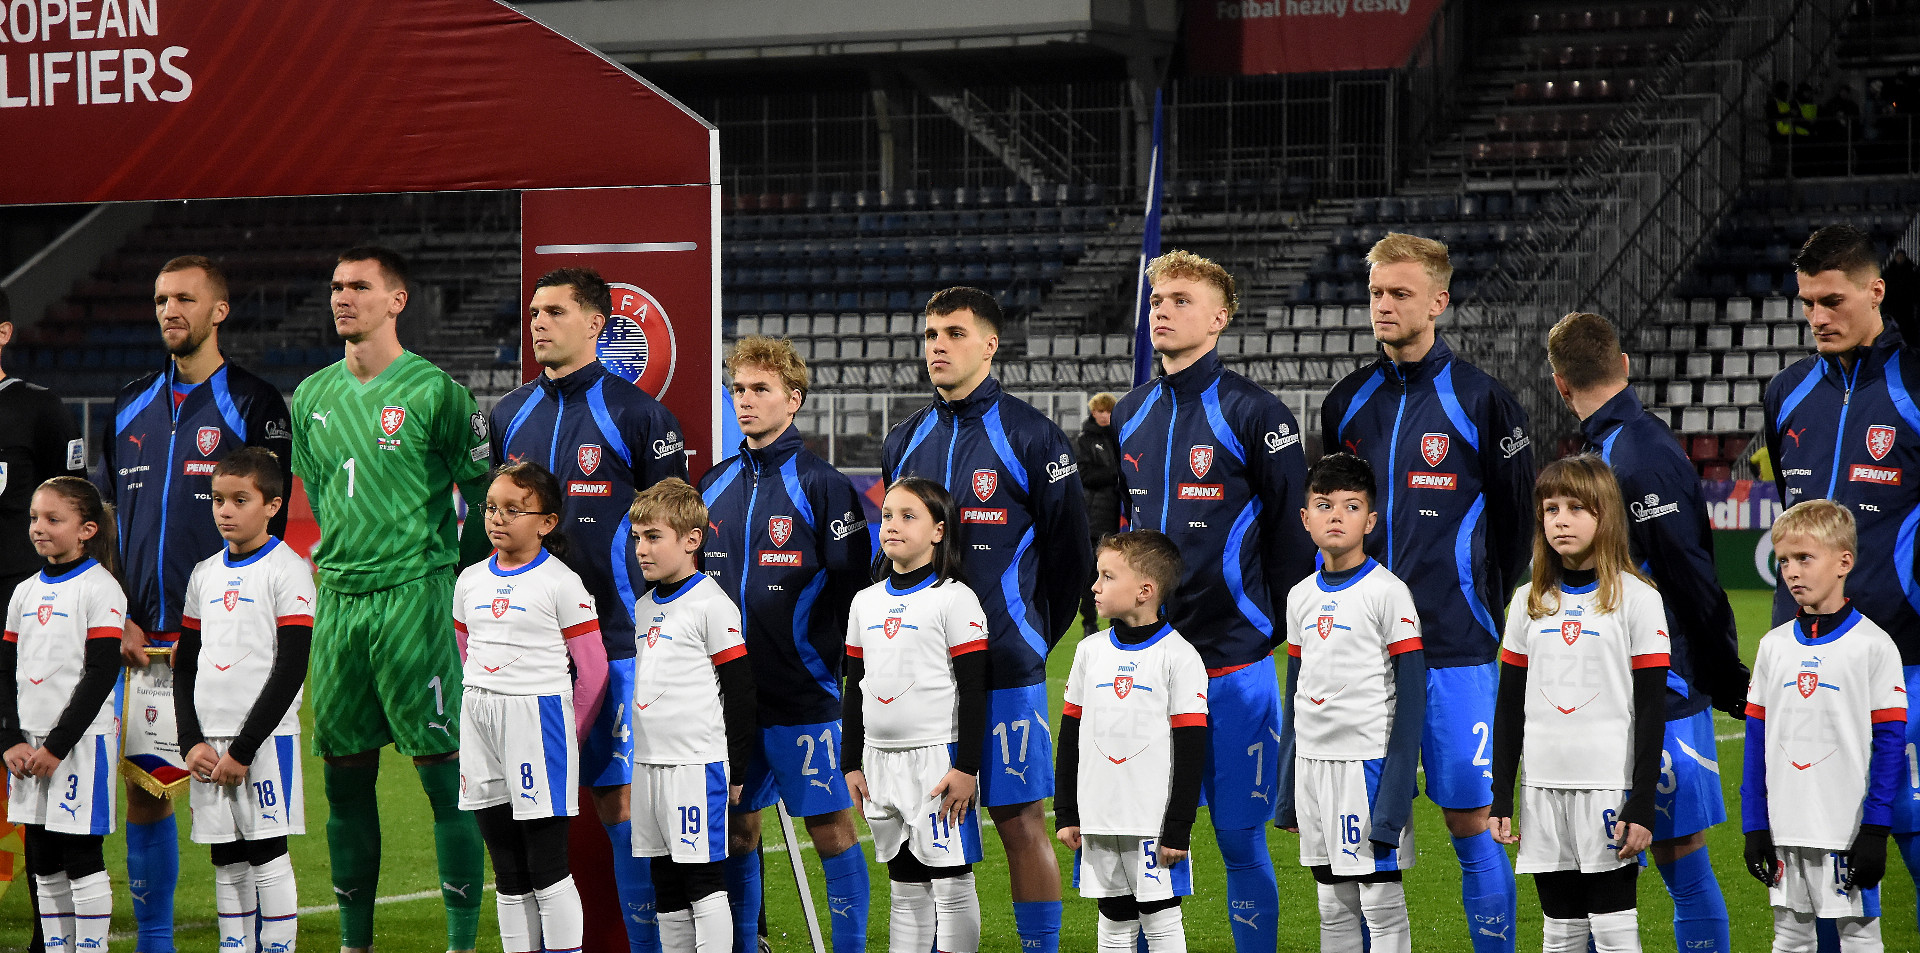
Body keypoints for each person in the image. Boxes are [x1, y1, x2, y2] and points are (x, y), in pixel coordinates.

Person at [1320, 232, 1532, 953]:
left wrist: (1484, 606)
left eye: (1400, 293)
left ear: (1439, 301)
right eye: (1376, 292)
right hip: (1361, 655)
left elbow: (1516, 524)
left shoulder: (1483, 399)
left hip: (1455, 647)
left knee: (1473, 823)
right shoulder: (1347, 402)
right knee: (1366, 832)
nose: (1383, 304)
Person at [291, 245, 494, 953]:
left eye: (359, 286)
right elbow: (321, 494)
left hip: (417, 600)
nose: (342, 297)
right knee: (344, 781)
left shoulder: (436, 392)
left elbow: (486, 498)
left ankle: (461, 943)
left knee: (445, 777)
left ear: (396, 301)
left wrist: (455, 584)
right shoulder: (309, 397)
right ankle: (356, 943)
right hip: (340, 604)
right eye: (336, 285)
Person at [880, 287, 1090, 953]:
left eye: (954, 333)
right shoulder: (903, 439)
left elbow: (1071, 557)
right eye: (931, 334)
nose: (938, 346)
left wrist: (1029, 636)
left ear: (990, 344)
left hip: (1003, 671)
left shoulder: (1032, 436)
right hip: (921, 679)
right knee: (926, 829)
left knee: (1020, 821)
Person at [1113, 250, 1310, 953]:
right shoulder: (1129, 412)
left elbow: (1293, 536)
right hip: (1146, 666)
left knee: (1238, 839)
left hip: (1232, 665)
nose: (1162, 310)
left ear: (1219, 319)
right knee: (1146, 840)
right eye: (1156, 299)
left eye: (1181, 300)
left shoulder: (1258, 413)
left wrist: (1266, 629)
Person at [490, 267, 689, 952]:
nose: (538, 323)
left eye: (554, 311)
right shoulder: (508, 414)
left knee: (620, 800)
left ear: (597, 324)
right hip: (526, 649)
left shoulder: (639, 415)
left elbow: (675, 536)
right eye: (533, 313)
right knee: (522, 800)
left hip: (618, 642)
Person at [102, 253, 293, 953]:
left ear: (220, 310)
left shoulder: (255, 402)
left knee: (238, 791)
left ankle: (260, 939)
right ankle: (156, 943)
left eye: (184, 298)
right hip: (141, 638)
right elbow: (109, 518)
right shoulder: (128, 404)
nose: (169, 311)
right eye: (160, 299)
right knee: (145, 793)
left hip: (222, 640)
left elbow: (270, 522)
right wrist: (118, 610)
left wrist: (227, 623)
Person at [1547, 311, 1748, 952]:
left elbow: (1687, 576)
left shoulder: (1628, 456)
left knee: (1678, 856)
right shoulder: (1636, 446)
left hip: (1665, 685)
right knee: (1616, 859)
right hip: (1624, 687)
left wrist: (1719, 674)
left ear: (1560, 384)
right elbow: (1693, 571)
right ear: (1625, 364)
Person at [1761, 224, 1920, 918]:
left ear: (1875, 291)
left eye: (1832, 300)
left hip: (1905, 660)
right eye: (1807, 303)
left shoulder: (1915, 385)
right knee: (1820, 869)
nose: (1818, 317)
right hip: (1807, 667)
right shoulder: (1787, 393)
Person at [697, 335, 872, 953]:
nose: (744, 401)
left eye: (760, 389)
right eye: (738, 389)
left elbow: (854, 591)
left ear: (793, 399)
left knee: (831, 830)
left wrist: (829, 667)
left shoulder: (825, 485)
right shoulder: (712, 484)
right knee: (737, 831)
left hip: (803, 694)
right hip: (727, 700)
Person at [1489, 455, 1668, 952]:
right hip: (1542, 788)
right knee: (1560, 930)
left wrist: (1642, 800)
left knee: (1613, 932)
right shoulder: (1528, 600)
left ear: (1604, 515)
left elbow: (1652, 710)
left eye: (1576, 508)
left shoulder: (1638, 599)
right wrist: (1502, 793)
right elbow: (1510, 706)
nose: (1561, 521)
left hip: (1607, 787)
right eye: (1551, 509)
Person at [454, 461, 608, 953]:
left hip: (538, 722)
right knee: (506, 867)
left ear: (546, 522)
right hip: (480, 720)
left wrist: (568, 734)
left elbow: (593, 670)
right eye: (491, 508)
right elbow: (467, 651)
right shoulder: (469, 580)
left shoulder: (560, 583)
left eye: (513, 510)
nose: (497, 518)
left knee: (547, 867)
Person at [1274, 453, 1423, 953]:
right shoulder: (1299, 596)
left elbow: (1412, 697)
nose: (1336, 516)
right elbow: (1295, 694)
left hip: (1368, 764)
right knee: (1332, 903)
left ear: (1370, 521)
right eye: (1324, 505)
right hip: (1313, 767)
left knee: (1380, 900)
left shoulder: (1388, 592)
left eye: (1351, 506)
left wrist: (1396, 793)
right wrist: (1288, 789)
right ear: (1305, 518)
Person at [1744, 499, 1903, 952]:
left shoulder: (1873, 646)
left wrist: (1875, 829)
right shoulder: (1773, 646)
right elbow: (1756, 742)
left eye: (1804, 558)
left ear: (1843, 562)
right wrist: (1755, 825)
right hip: (1784, 826)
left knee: (1859, 938)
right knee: (1790, 938)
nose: (1792, 572)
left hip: (1844, 828)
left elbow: (1890, 744)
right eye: (1784, 561)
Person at [172, 448, 312, 953]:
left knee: (267, 853)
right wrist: (190, 740)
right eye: (217, 500)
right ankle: (234, 946)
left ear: (272, 505)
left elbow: (291, 668)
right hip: (209, 743)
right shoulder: (203, 573)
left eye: (239, 500)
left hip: (264, 742)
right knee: (226, 858)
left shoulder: (287, 570)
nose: (225, 511)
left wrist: (244, 748)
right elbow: (185, 663)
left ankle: (278, 946)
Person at [843, 477, 988, 953]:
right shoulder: (865, 602)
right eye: (887, 515)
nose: (892, 525)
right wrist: (851, 763)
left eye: (909, 516)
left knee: (950, 883)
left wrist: (966, 767)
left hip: (937, 760)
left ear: (938, 531)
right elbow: (854, 687)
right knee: (903, 884)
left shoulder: (954, 597)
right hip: (878, 761)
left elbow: (974, 690)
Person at [1056, 530, 1206, 953]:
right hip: (1098, 818)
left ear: (1145, 591)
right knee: (1113, 917)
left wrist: (1178, 827)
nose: (1095, 586)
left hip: (1152, 823)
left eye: (1107, 577)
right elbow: (1070, 737)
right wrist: (1067, 811)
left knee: (1160, 919)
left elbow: (1191, 748)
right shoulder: (1089, 651)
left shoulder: (1179, 656)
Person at [627, 478, 757, 951]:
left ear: (692, 540)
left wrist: (737, 767)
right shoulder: (644, 606)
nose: (642, 549)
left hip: (695, 766)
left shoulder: (711, 604)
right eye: (637, 537)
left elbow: (740, 692)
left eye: (653, 537)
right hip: (649, 765)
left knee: (703, 882)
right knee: (665, 884)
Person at [1, 477, 126, 953]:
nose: (39, 527)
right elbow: (4, 670)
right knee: (42, 855)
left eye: (53, 519)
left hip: (80, 745)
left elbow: (101, 673)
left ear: (87, 530)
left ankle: (91, 947)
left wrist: (57, 745)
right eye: (35, 517)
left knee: (80, 854)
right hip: (28, 749)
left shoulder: (101, 588)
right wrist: (9, 739)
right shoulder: (24, 592)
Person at [0, 285, 87, 953]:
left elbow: (80, 507)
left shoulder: (38, 409)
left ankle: (48, 927)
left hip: (27, 618)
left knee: (34, 766)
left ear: (4, 333)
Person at [1076, 393, 1123, 633]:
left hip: (1119, 517)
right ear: (1093, 412)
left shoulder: (1121, 437)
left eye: (1108, 411)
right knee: (1090, 572)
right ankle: (1089, 622)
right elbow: (1084, 475)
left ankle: (1117, 618)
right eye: (1100, 411)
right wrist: (1116, 475)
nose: (1104, 415)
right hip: (1095, 516)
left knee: (1119, 571)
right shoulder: (1085, 440)